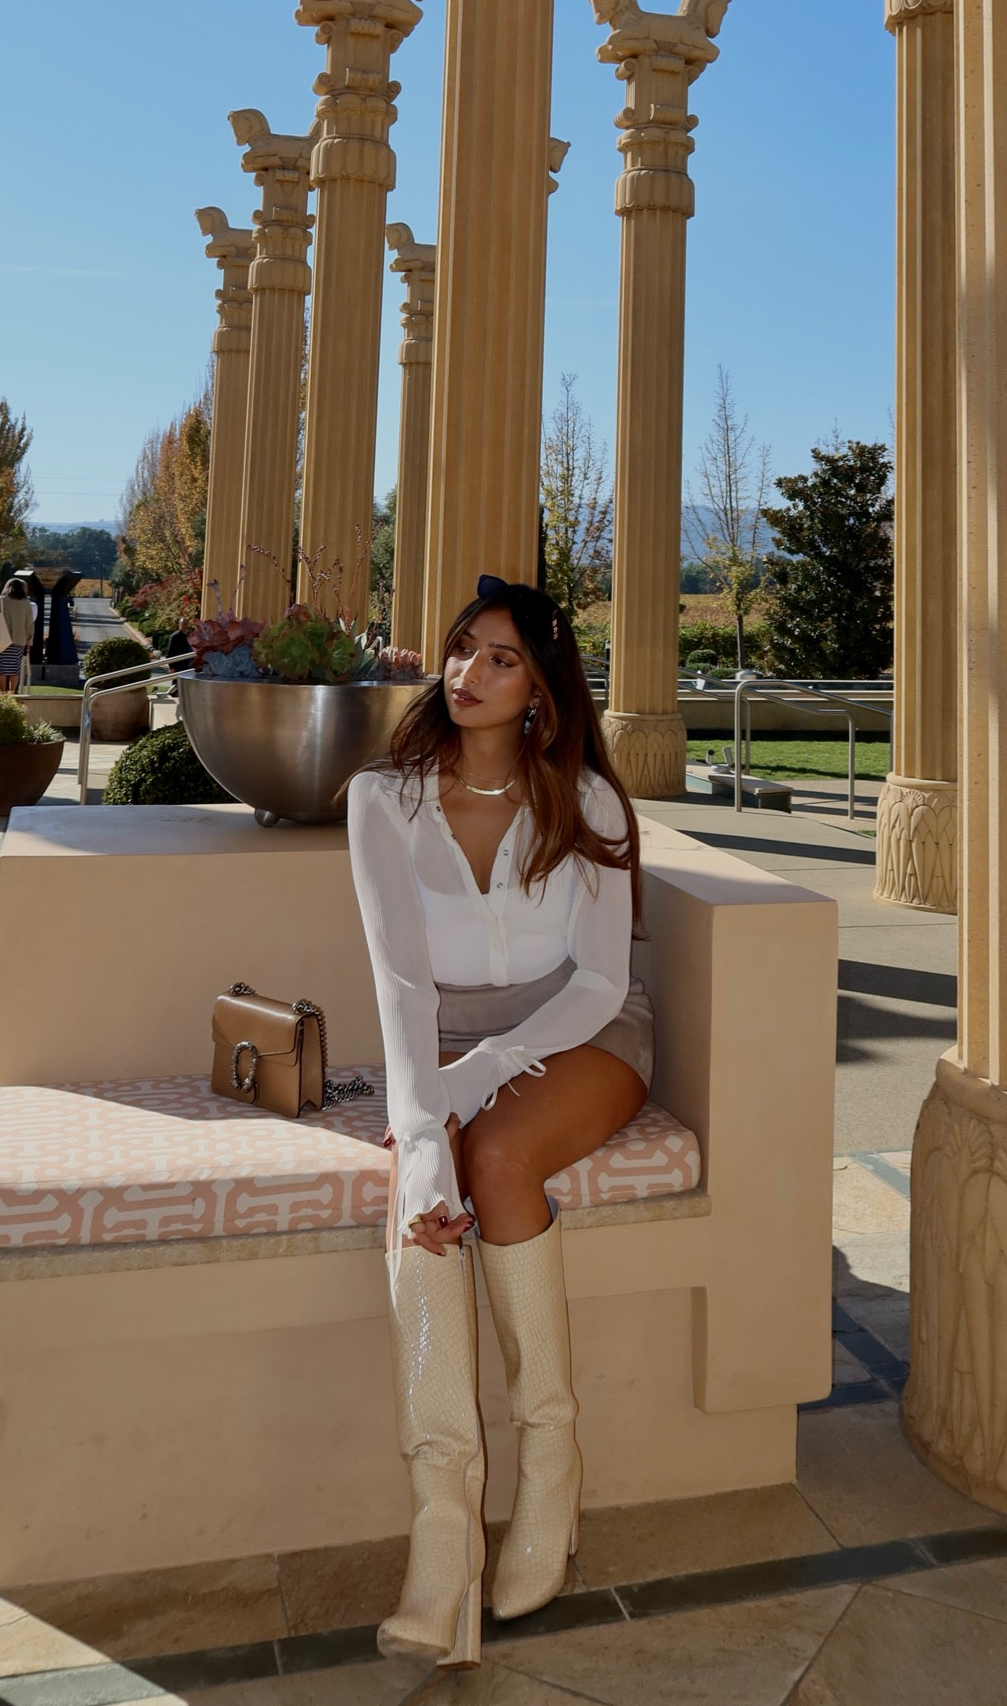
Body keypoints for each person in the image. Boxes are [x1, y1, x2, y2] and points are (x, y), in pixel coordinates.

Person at [347, 574, 650, 1671]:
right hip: (440, 1036)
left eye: (500, 658)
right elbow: (397, 988)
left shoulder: (588, 803)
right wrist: (422, 1137)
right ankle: (443, 1531)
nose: (466, 673)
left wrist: (467, 1087)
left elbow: (600, 981)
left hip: (584, 1031)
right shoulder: (383, 798)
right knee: (423, 1185)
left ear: (540, 688)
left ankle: (551, 1473)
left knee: (502, 1152)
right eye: (461, 648)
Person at [0, 580, 35, 693]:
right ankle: (12, 693)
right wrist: (29, 642)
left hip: (1, 640)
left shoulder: (0, 600)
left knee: (2, 670)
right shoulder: (26, 603)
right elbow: (30, 624)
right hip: (19, 640)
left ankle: (3, 694)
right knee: (14, 670)